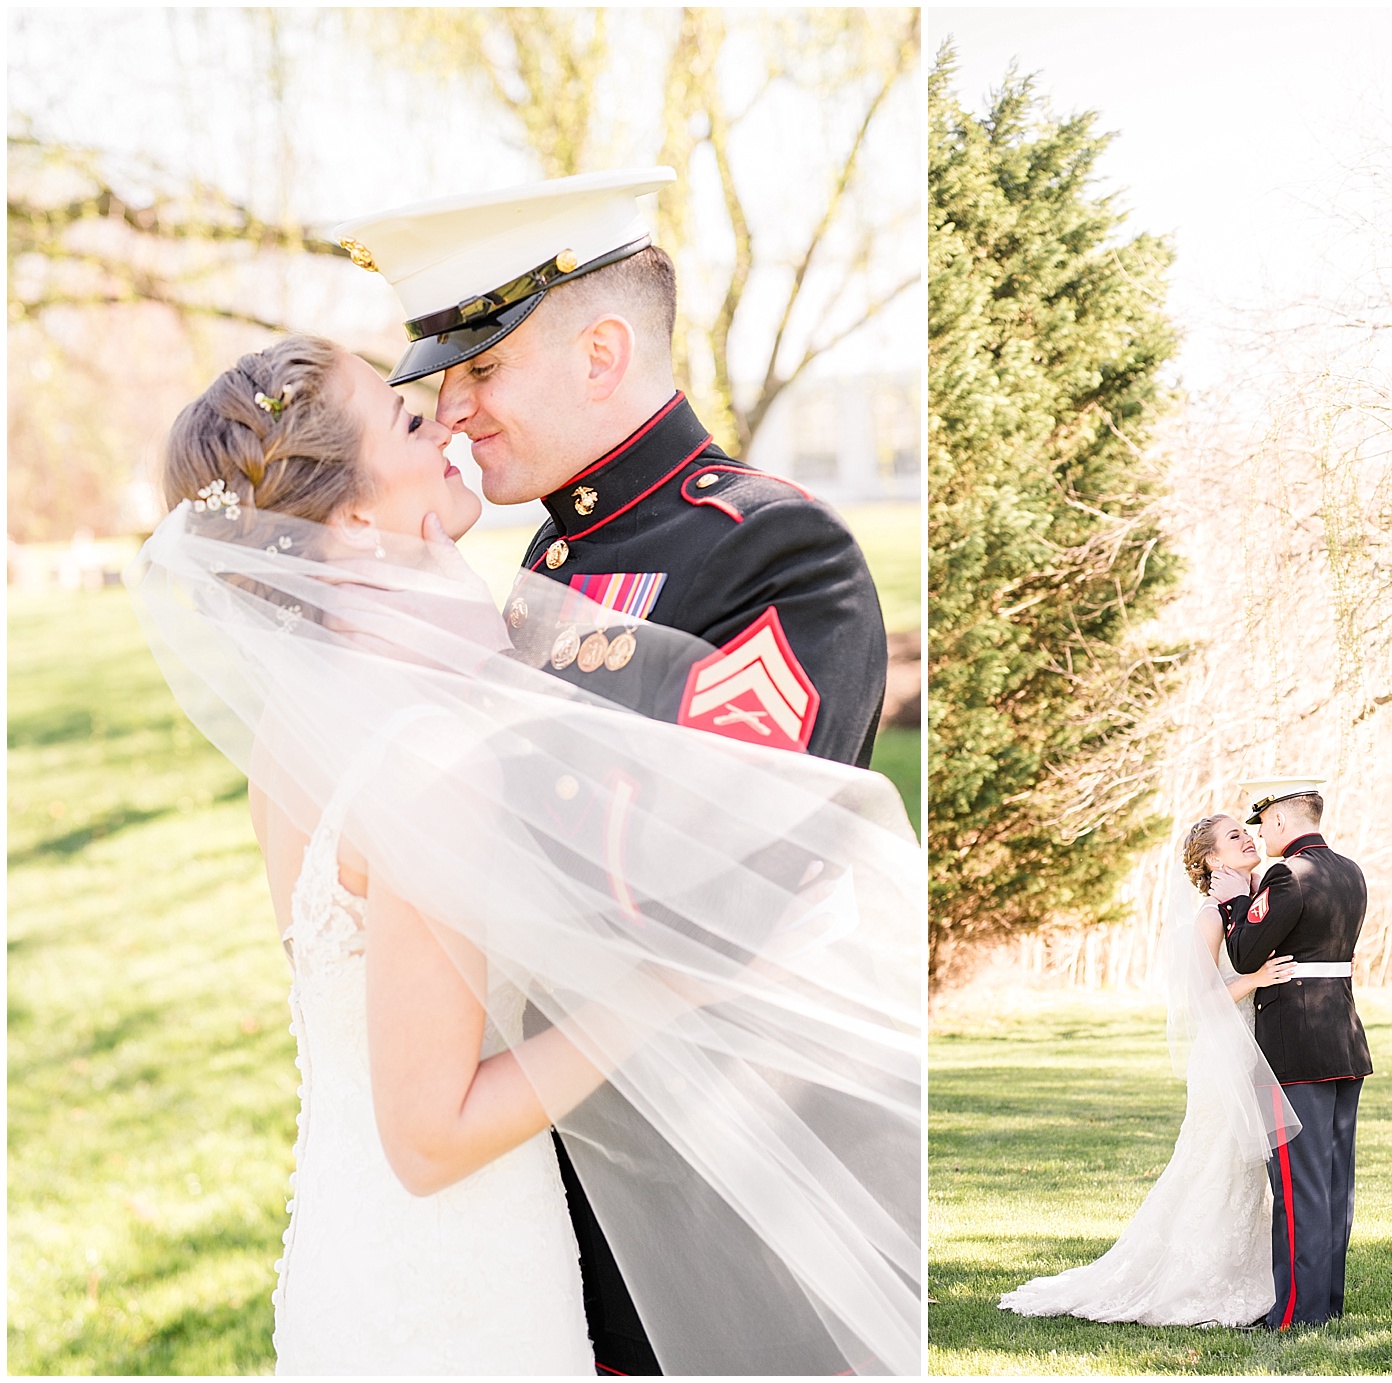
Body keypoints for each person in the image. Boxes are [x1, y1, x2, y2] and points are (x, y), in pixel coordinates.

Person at [133, 334, 923, 1375]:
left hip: (357, 1252)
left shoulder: (296, 733)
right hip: (462, 1281)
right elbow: (429, 1136)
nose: (447, 419)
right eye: (410, 422)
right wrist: (676, 981)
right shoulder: (429, 759)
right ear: (359, 518)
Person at [328, 167, 894, 1372]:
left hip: (714, 1187)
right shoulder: (553, 545)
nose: (457, 409)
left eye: (482, 368)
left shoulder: (774, 548)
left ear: (601, 352)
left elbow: (706, 889)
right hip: (546, 1165)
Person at [998, 815, 1299, 1329]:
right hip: (1222, 1055)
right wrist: (1255, 979)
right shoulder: (1208, 917)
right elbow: (1198, 1002)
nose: (1248, 838)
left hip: (1252, 1050)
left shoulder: (1250, 905)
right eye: (1234, 836)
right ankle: (1195, 1281)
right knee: (1214, 1163)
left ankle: (1250, 1275)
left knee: (1246, 1172)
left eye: (1246, 833)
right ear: (1210, 861)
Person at [1223, 776, 1371, 1331]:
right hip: (1343, 1040)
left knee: (1296, 1186)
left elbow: (1244, 953)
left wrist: (1238, 900)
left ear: (1281, 821)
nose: (1261, 837)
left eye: (1262, 826)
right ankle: (1326, 1302)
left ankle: (1294, 1314)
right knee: (1333, 1182)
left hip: (1294, 1047)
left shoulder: (1289, 873)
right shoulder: (1349, 869)